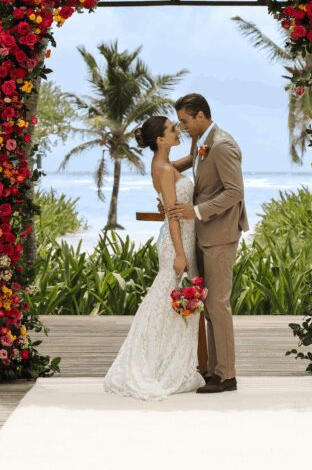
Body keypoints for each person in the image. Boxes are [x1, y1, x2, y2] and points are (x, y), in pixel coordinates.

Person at [103, 116, 206, 400]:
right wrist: (181, 254)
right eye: (173, 130)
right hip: (177, 243)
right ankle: (159, 365)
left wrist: (198, 144)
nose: (178, 132)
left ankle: (165, 359)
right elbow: (172, 216)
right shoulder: (163, 169)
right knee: (168, 301)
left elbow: (185, 164)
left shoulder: (165, 164)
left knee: (168, 302)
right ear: (160, 140)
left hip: (181, 238)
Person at [167, 93, 248, 394]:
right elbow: (197, 162)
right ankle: (213, 370)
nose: (184, 127)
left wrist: (196, 211)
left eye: (186, 121)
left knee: (217, 304)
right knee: (208, 304)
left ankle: (227, 376)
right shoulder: (201, 140)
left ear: (201, 115)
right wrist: (165, 164)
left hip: (221, 234)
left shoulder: (224, 145)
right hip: (205, 233)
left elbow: (234, 192)